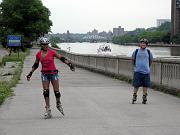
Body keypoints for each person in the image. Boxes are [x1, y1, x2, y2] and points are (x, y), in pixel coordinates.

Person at [26, 37, 75, 119]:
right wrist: (30, 73)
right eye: (44, 44)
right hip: (44, 74)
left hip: (53, 74)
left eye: (47, 44)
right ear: (41, 45)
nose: (46, 46)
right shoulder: (38, 54)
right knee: (46, 92)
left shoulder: (52, 52)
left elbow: (61, 58)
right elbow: (36, 65)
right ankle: (48, 109)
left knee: (57, 92)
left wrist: (69, 64)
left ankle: (58, 103)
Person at [131, 38, 153, 104]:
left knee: (145, 85)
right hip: (137, 71)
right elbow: (133, 59)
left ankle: (144, 96)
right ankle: (134, 95)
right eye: (142, 43)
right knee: (136, 85)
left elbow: (151, 60)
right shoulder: (136, 51)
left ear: (146, 45)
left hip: (146, 71)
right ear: (140, 44)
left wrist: (147, 67)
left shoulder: (148, 52)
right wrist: (135, 66)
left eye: (144, 43)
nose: (143, 44)